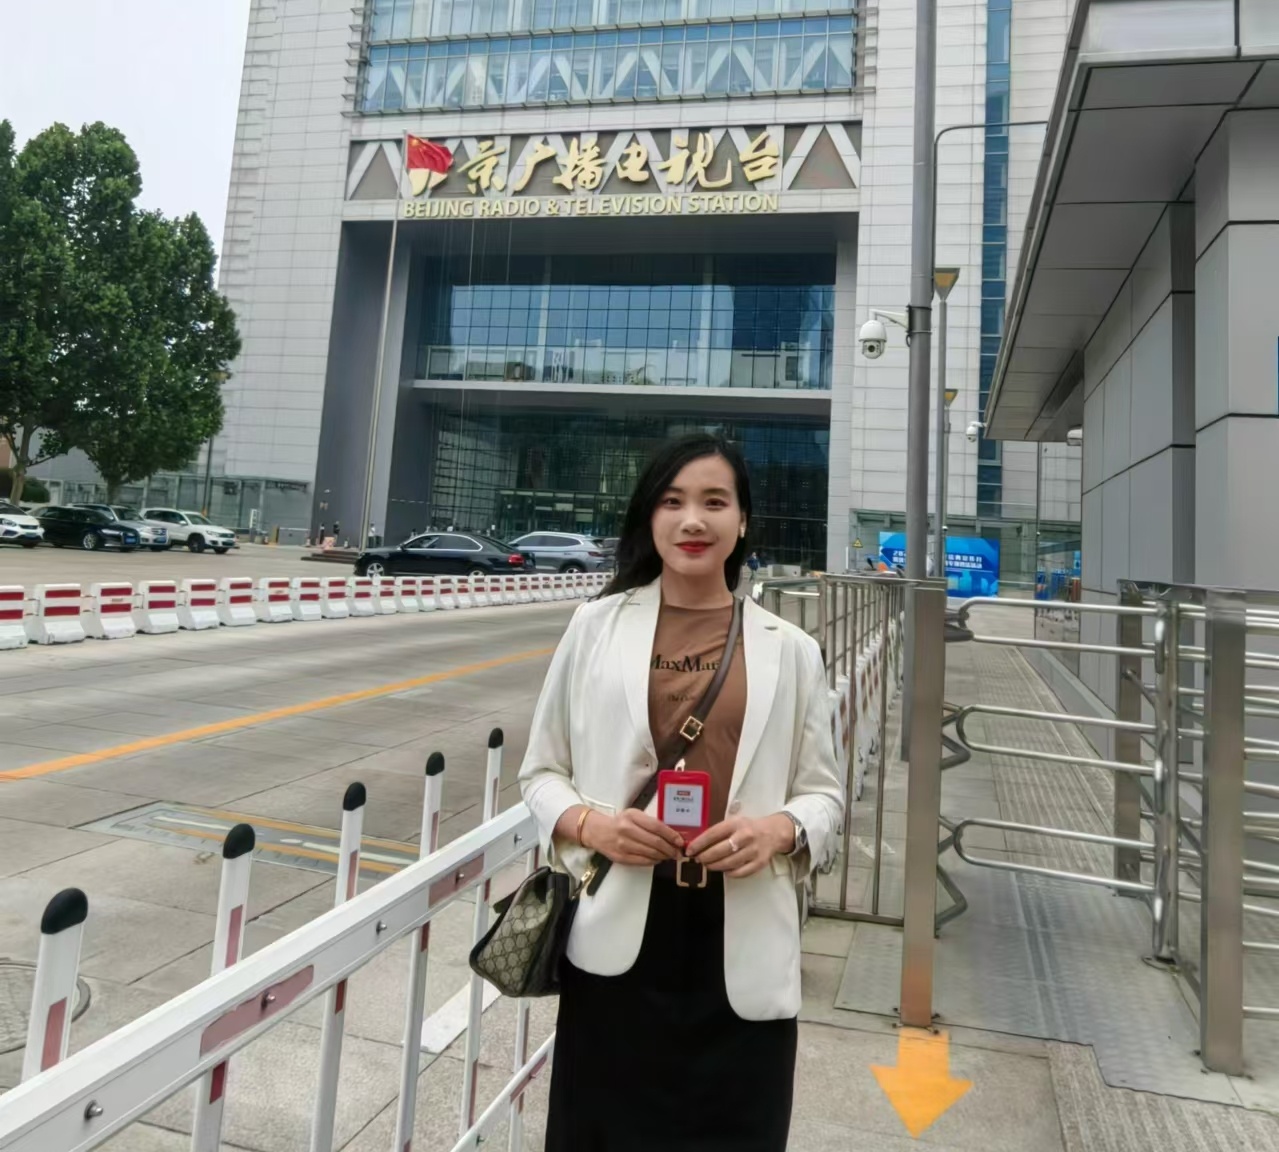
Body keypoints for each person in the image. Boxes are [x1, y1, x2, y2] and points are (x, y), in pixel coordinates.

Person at [519, 433, 843, 1152]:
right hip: (620, 939)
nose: (693, 520)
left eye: (714, 502)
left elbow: (824, 795)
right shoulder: (596, 627)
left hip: (743, 937)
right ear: (650, 516)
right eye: (672, 501)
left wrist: (778, 831)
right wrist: (593, 826)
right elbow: (540, 773)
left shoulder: (789, 649)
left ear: (743, 521)